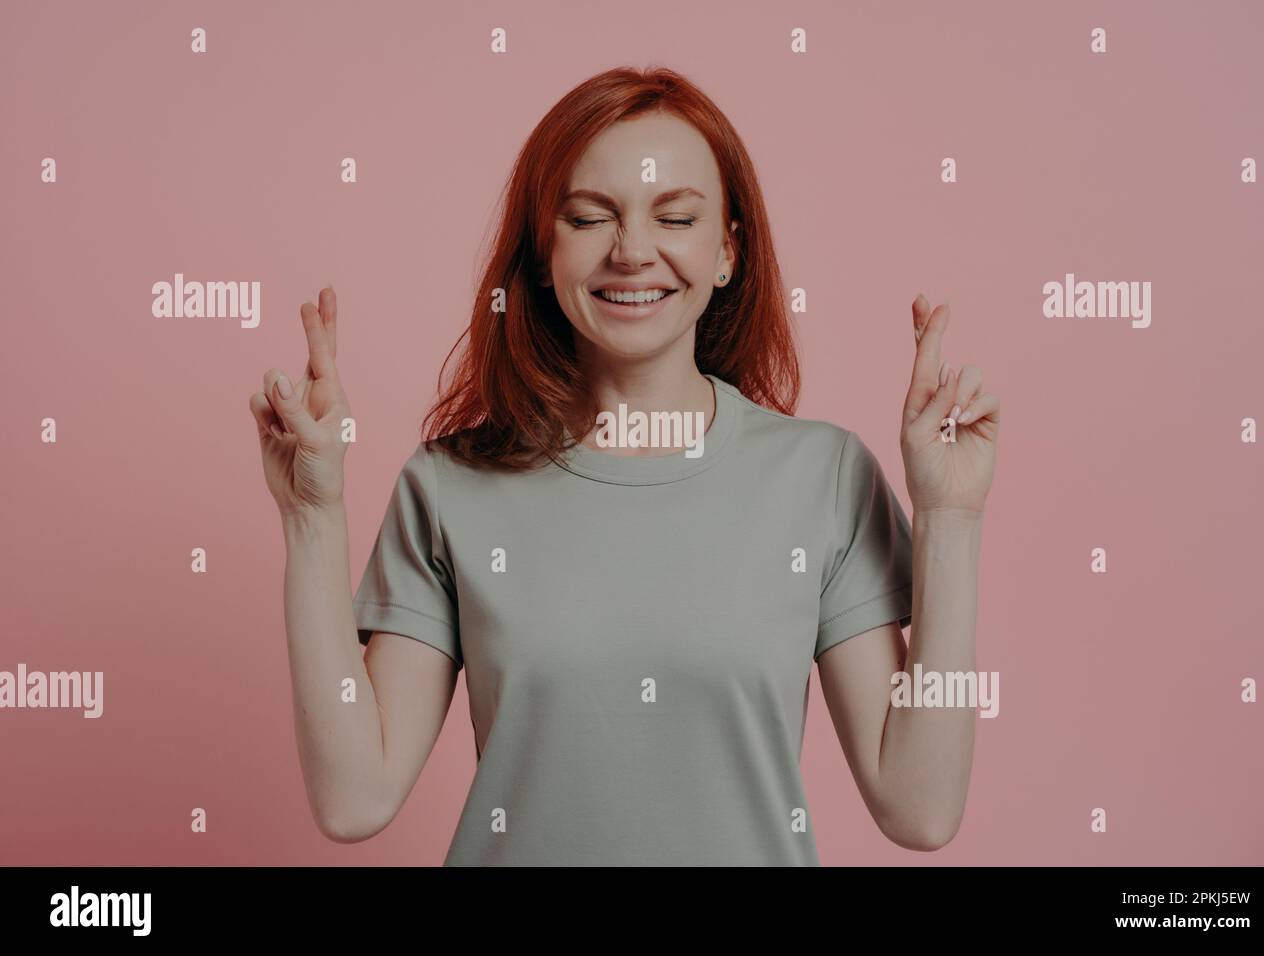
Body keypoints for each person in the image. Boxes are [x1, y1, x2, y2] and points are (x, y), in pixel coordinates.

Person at [250, 67, 999, 866]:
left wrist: (949, 519)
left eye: (675, 216)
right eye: (588, 218)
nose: (633, 251)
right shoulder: (449, 486)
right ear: (543, 253)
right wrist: (311, 517)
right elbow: (353, 796)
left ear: (726, 252)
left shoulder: (825, 478)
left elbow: (920, 807)